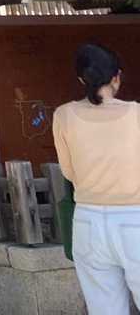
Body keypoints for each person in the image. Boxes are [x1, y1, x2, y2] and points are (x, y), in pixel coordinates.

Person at [54, 43, 140, 314]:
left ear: (82, 80)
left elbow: (68, 172)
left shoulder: (63, 115)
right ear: (117, 76)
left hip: (88, 221)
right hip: (135, 217)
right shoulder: (136, 114)